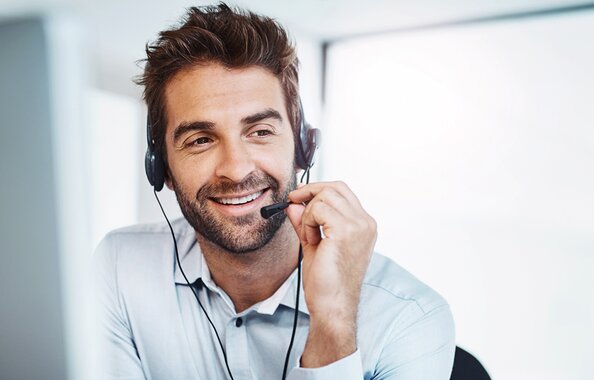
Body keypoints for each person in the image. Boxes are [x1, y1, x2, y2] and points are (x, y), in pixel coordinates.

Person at [94, 3, 455, 379]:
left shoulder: (410, 317)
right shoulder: (120, 268)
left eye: (260, 132)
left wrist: (332, 320)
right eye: (201, 140)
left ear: (303, 148)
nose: (235, 170)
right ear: (161, 167)